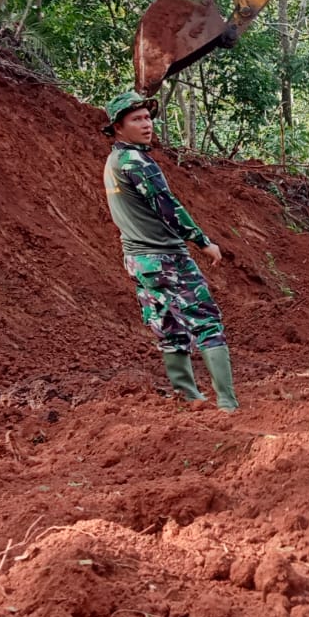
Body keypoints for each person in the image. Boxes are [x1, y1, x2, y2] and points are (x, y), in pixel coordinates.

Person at [102, 92, 238, 410]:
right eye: (136, 119)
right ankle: (228, 403)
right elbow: (167, 207)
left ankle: (188, 396)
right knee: (206, 322)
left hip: (139, 260)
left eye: (148, 117)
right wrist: (203, 241)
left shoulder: (113, 161)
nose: (146, 124)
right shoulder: (136, 162)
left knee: (167, 325)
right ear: (118, 127)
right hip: (166, 257)